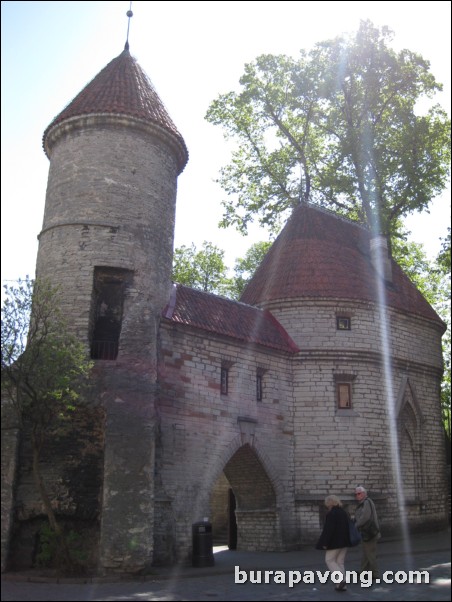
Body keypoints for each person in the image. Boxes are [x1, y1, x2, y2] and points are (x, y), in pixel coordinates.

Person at [315, 495, 351, 591]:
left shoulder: (332, 514)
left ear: (329, 503)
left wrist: (325, 542)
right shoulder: (343, 512)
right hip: (345, 541)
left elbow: (328, 530)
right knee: (340, 562)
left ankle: (341, 580)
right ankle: (341, 585)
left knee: (329, 560)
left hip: (335, 542)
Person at [354, 485, 380, 578]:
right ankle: (363, 572)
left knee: (370, 554)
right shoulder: (364, 502)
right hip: (367, 533)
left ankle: (375, 574)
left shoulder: (367, 502)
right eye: (356, 494)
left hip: (370, 533)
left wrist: (356, 525)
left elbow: (365, 517)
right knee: (366, 553)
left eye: (359, 493)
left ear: (364, 493)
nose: (357, 495)